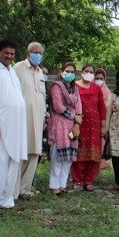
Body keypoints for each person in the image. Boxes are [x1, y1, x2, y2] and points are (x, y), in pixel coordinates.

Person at [0, 39, 28, 215]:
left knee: (12, 163)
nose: (9, 56)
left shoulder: (12, 72)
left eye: (12, 54)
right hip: (0, 128)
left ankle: (6, 200)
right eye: (6, 53)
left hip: (16, 127)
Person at [13, 41, 47, 198]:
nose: (38, 55)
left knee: (35, 152)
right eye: (35, 52)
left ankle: (25, 188)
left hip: (38, 118)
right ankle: (14, 187)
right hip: (22, 118)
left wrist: (45, 118)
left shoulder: (41, 72)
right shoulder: (18, 68)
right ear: (28, 52)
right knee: (21, 151)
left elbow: (43, 96)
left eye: (40, 53)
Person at [47, 62, 82, 195]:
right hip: (59, 124)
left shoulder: (75, 89)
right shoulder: (57, 86)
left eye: (73, 71)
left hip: (72, 126)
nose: (70, 74)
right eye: (67, 71)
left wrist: (77, 122)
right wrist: (74, 116)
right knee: (58, 156)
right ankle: (54, 186)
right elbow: (58, 106)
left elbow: (79, 106)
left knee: (68, 157)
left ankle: (62, 184)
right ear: (61, 72)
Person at [73, 64, 107, 190]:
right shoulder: (74, 86)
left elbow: (102, 108)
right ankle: (77, 181)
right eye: (86, 71)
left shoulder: (96, 88)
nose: (88, 73)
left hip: (94, 126)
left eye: (91, 71)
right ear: (81, 72)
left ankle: (88, 181)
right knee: (78, 152)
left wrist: (103, 126)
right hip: (78, 124)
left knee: (93, 154)